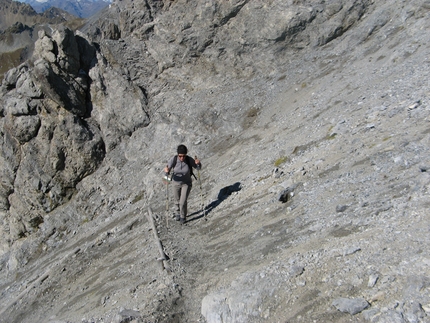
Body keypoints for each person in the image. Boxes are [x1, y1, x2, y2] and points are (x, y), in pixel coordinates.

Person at [164, 144, 202, 224]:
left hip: (186, 183)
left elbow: (198, 168)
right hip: (175, 182)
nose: (182, 158)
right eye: (180, 156)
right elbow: (167, 171)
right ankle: (178, 212)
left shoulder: (189, 159)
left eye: (184, 156)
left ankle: (182, 216)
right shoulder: (173, 159)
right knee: (177, 200)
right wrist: (166, 179)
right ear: (178, 154)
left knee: (182, 201)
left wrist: (198, 163)